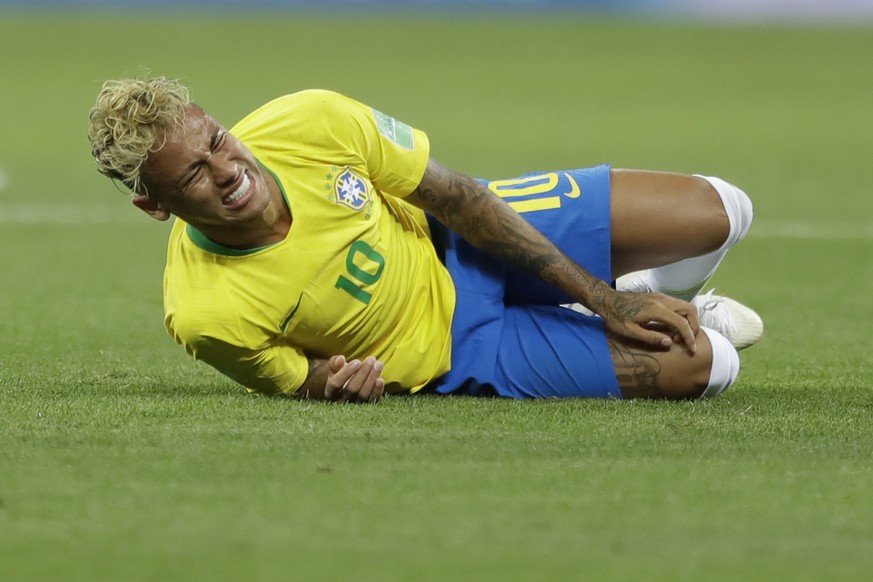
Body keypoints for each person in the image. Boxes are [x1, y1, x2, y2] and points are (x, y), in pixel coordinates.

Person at [87, 77, 762, 404]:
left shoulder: (310, 120)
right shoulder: (206, 315)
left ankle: (642, 296)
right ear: (156, 206)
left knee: (720, 209)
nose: (229, 171)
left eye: (218, 142)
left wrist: (603, 297)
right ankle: (661, 315)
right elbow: (297, 381)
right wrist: (336, 384)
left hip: (463, 238)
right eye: (194, 176)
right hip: (459, 351)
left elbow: (457, 197)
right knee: (711, 368)